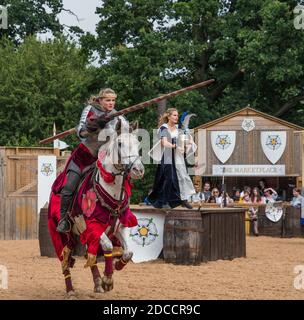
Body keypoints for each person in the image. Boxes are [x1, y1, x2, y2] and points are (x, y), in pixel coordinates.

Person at [55, 88, 121, 233]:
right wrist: (95, 125)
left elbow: (122, 134)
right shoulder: (90, 109)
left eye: (113, 100)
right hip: (84, 157)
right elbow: (81, 132)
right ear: (100, 100)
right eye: (108, 100)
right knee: (69, 187)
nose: (111, 103)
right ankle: (64, 219)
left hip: (103, 158)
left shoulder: (116, 115)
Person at [148, 108, 196, 209]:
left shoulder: (180, 130)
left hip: (178, 156)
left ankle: (183, 199)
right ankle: (164, 201)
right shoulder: (163, 128)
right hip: (167, 155)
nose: (176, 117)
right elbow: (164, 142)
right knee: (168, 178)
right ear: (168, 116)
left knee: (182, 176)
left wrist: (187, 146)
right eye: (174, 115)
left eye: (177, 115)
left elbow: (187, 144)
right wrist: (175, 146)